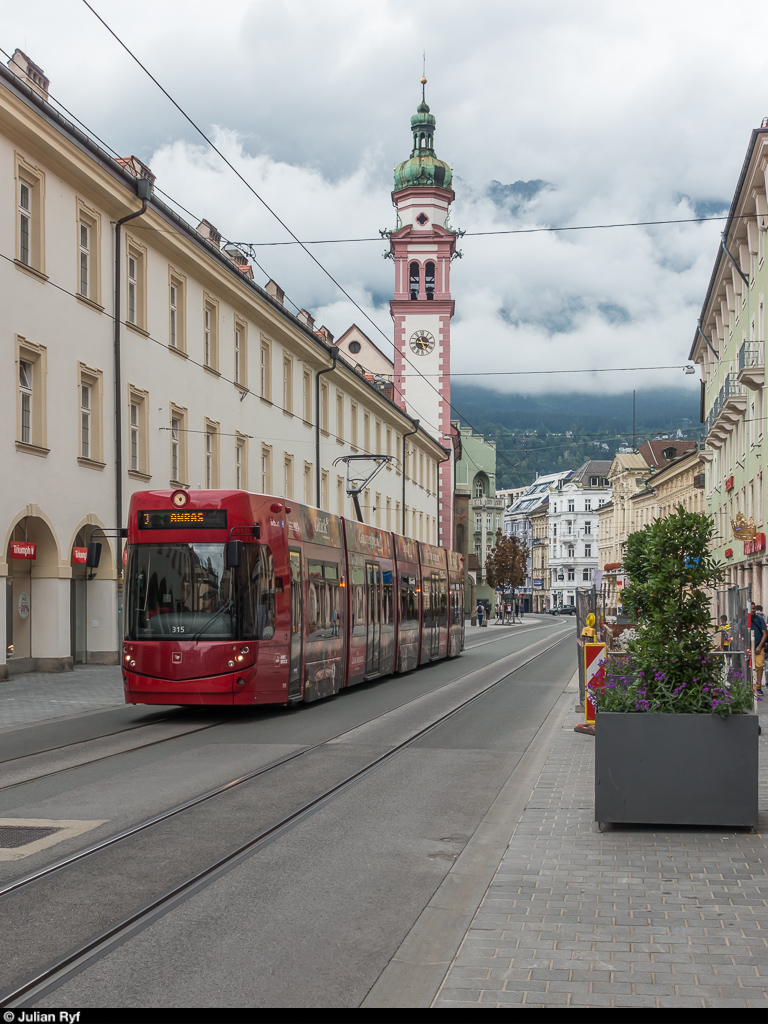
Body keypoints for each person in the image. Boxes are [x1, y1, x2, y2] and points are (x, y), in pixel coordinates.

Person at [752, 604, 766, 695]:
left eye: (754, 608)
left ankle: (758, 686)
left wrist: (759, 646)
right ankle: (749, 685)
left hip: (758, 648)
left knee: (760, 666)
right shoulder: (744, 620)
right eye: (751, 608)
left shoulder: (760, 620)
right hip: (748, 649)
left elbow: (765, 634)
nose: (753, 610)